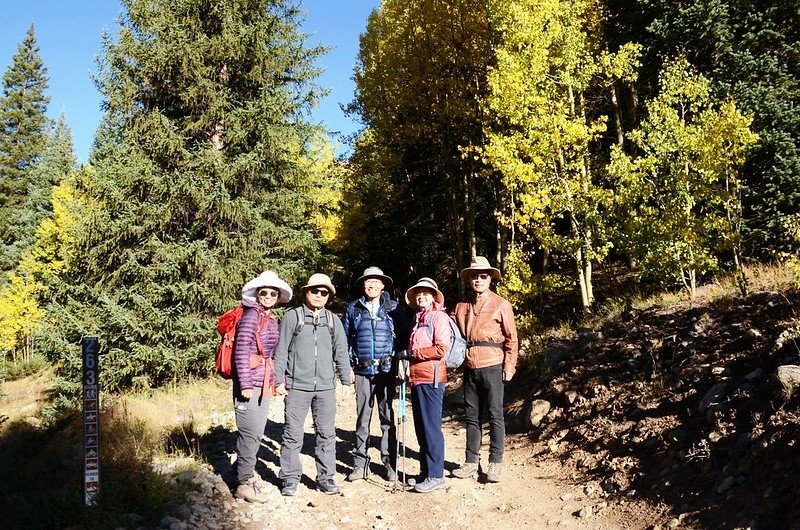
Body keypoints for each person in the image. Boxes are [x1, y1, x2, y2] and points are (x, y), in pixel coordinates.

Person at [273, 273, 351, 497]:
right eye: (314, 291)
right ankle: (290, 478)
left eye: (323, 292)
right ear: (306, 292)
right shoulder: (292, 317)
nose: (318, 295)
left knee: (326, 434)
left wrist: (345, 380)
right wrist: (279, 381)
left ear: (329, 296)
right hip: (297, 386)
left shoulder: (333, 320)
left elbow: (341, 352)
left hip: (326, 387)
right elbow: (281, 351)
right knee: (292, 433)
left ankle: (326, 478)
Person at [451, 256, 519, 483]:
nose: (478, 280)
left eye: (483, 276)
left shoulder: (501, 304)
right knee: (471, 416)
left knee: (495, 415)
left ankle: (495, 463)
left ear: (490, 278)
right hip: (470, 366)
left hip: (493, 365)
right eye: (474, 276)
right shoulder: (461, 307)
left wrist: (510, 365)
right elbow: (448, 331)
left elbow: (512, 338)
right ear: (469, 279)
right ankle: (471, 462)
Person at [232, 270, 293, 503]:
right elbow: (241, 350)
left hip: (263, 383)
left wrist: (278, 381)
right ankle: (243, 484)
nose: (268, 296)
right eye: (264, 292)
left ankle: (240, 474)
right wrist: (245, 384)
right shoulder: (250, 316)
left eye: (273, 293)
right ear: (257, 294)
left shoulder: (269, 317)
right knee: (250, 433)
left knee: (256, 433)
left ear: (278, 296)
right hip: (250, 385)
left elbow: (271, 354)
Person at [343, 266, 403, 482]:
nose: (371, 285)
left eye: (376, 281)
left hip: (386, 371)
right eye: (368, 281)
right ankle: (360, 463)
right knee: (362, 418)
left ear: (383, 285)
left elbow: (402, 340)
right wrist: (347, 367)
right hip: (361, 370)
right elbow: (345, 340)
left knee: (387, 417)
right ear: (363, 284)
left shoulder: (394, 309)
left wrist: (400, 367)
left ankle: (389, 463)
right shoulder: (353, 309)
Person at [397, 277, 451, 493]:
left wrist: (412, 354)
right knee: (421, 427)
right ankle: (426, 472)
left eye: (426, 293)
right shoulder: (418, 318)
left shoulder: (439, 317)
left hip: (433, 378)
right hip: (417, 377)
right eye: (419, 293)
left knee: (431, 427)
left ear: (433, 297)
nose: (421, 296)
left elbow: (441, 349)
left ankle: (437, 475)